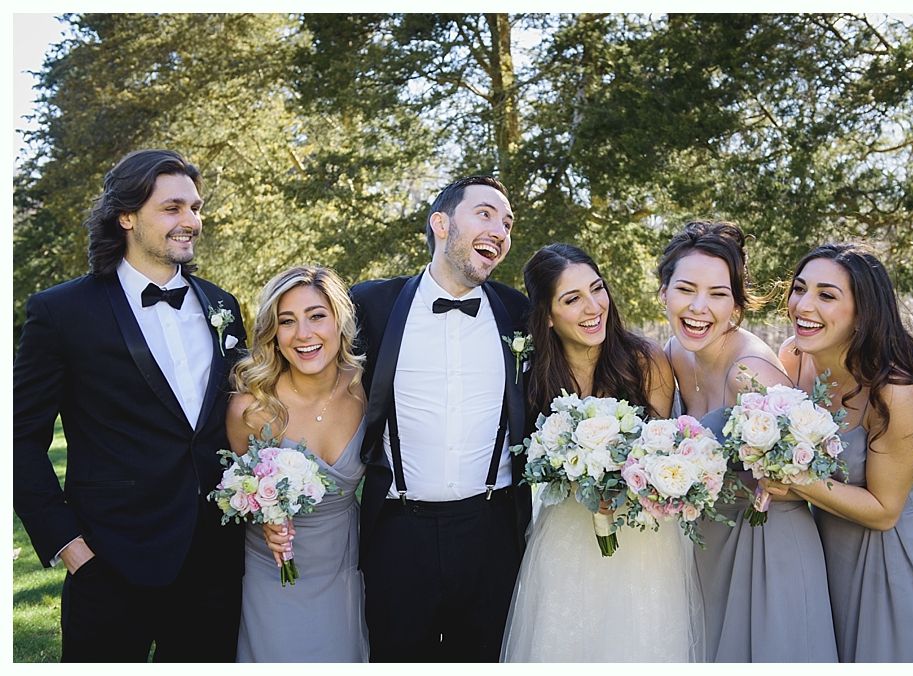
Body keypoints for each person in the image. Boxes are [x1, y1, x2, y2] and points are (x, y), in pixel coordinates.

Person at [13, 149, 246, 661]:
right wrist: (69, 547)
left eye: (195, 207)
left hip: (214, 566)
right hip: (109, 565)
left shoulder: (222, 306)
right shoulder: (62, 312)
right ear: (126, 216)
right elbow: (19, 440)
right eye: (173, 208)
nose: (191, 221)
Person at [350, 176, 531, 662]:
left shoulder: (518, 312)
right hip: (397, 532)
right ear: (441, 223)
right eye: (486, 214)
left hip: (492, 531)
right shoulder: (372, 305)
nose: (500, 229)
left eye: (508, 222)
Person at [500, 243, 702, 662]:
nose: (593, 307)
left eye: (597, 289)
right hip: (566, 533)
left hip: (642, 539)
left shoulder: (643, 361)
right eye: (572, 299)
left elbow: (659, 451)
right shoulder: (535, 372)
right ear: (549, 316)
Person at [656, 221, 838, 662]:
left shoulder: (751, 371)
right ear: (663, 293)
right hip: (708, 542)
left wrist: (784, 479)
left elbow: (810, 459)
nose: (700, 307)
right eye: (686, 289)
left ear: (736, 307)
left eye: (718, 294)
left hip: (768, 541)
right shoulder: (673, 353)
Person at [766, 242, 913, 662]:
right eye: (799, 289)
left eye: (827, 295)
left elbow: (886, 510)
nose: (803, 305)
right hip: (823, 550)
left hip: (887, 560)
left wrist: (795, 481)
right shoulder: (793, 359)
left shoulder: (892, 390)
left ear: (863, 312)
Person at [226, 265, 368, 662]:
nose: (303, 334)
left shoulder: (366, 390)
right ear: (273, 332)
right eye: (287, 321)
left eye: (317, 316)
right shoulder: (249, 409)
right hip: (272, 576)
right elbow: (236, 489)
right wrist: (261, 515)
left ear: (340, 321)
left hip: (343, 572)